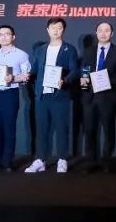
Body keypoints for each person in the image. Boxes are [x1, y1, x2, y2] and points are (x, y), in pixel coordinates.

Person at [25, 18, 80, 173]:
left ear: (63, 30)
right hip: (42, 96)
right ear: (47, 30)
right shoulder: (40, 50)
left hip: (60, 95)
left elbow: (75, 70)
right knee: (41, 130)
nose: (56, 31)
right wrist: (27, 75)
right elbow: (34, 70)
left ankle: (62, 159)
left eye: (59, 28)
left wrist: (65, 80)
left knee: (62, 128)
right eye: (53, 28)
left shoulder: (69, 49)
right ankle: (40, 160)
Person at [0, 25, 30, 172]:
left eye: (7, 34)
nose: (3, 37)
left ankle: (8, 161)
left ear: (13, 37)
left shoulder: (21, 55)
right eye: (0, 34)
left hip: (9, 94)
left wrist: (13, 78)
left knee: (9, 128)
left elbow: (26, 76)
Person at [79, 21, 116, 173]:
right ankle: (91, 160)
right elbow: (84, 69)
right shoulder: (88, 51)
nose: (103, 33)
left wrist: (106, 82)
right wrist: (83, 78)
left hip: (108, 96)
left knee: (108, 130)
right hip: (89, 97)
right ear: (96, 33)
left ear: (112, 34)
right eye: (100, 30)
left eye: (107, 30)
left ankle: (107, 161)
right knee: (89, 130)